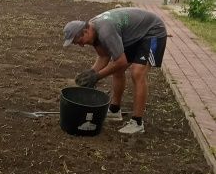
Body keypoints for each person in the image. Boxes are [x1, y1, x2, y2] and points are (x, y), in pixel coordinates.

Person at [63, 8, 168, 136]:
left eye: (80, 41)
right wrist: (91, 73)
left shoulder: (105, 32)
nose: (81, 45)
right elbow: (103, 57)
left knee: (137, 73)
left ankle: (137, 122)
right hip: (134, 35)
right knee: (118, 71)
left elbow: (121, 62)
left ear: (85, 31)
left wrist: (97, 76)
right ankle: (114, 109)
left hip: (152, 31)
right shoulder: (93, 30)